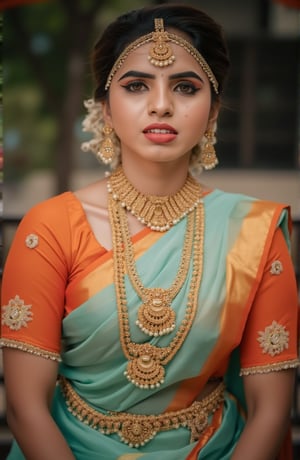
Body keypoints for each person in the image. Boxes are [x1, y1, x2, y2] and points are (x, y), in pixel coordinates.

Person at [1, 3, 299, 459]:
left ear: (213, 109)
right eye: (136, 85)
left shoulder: (254, 234)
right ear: (104, 104)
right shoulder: (52, 228)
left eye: (186, 87)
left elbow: (271, 411)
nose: (161, 104)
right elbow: (25, 407)